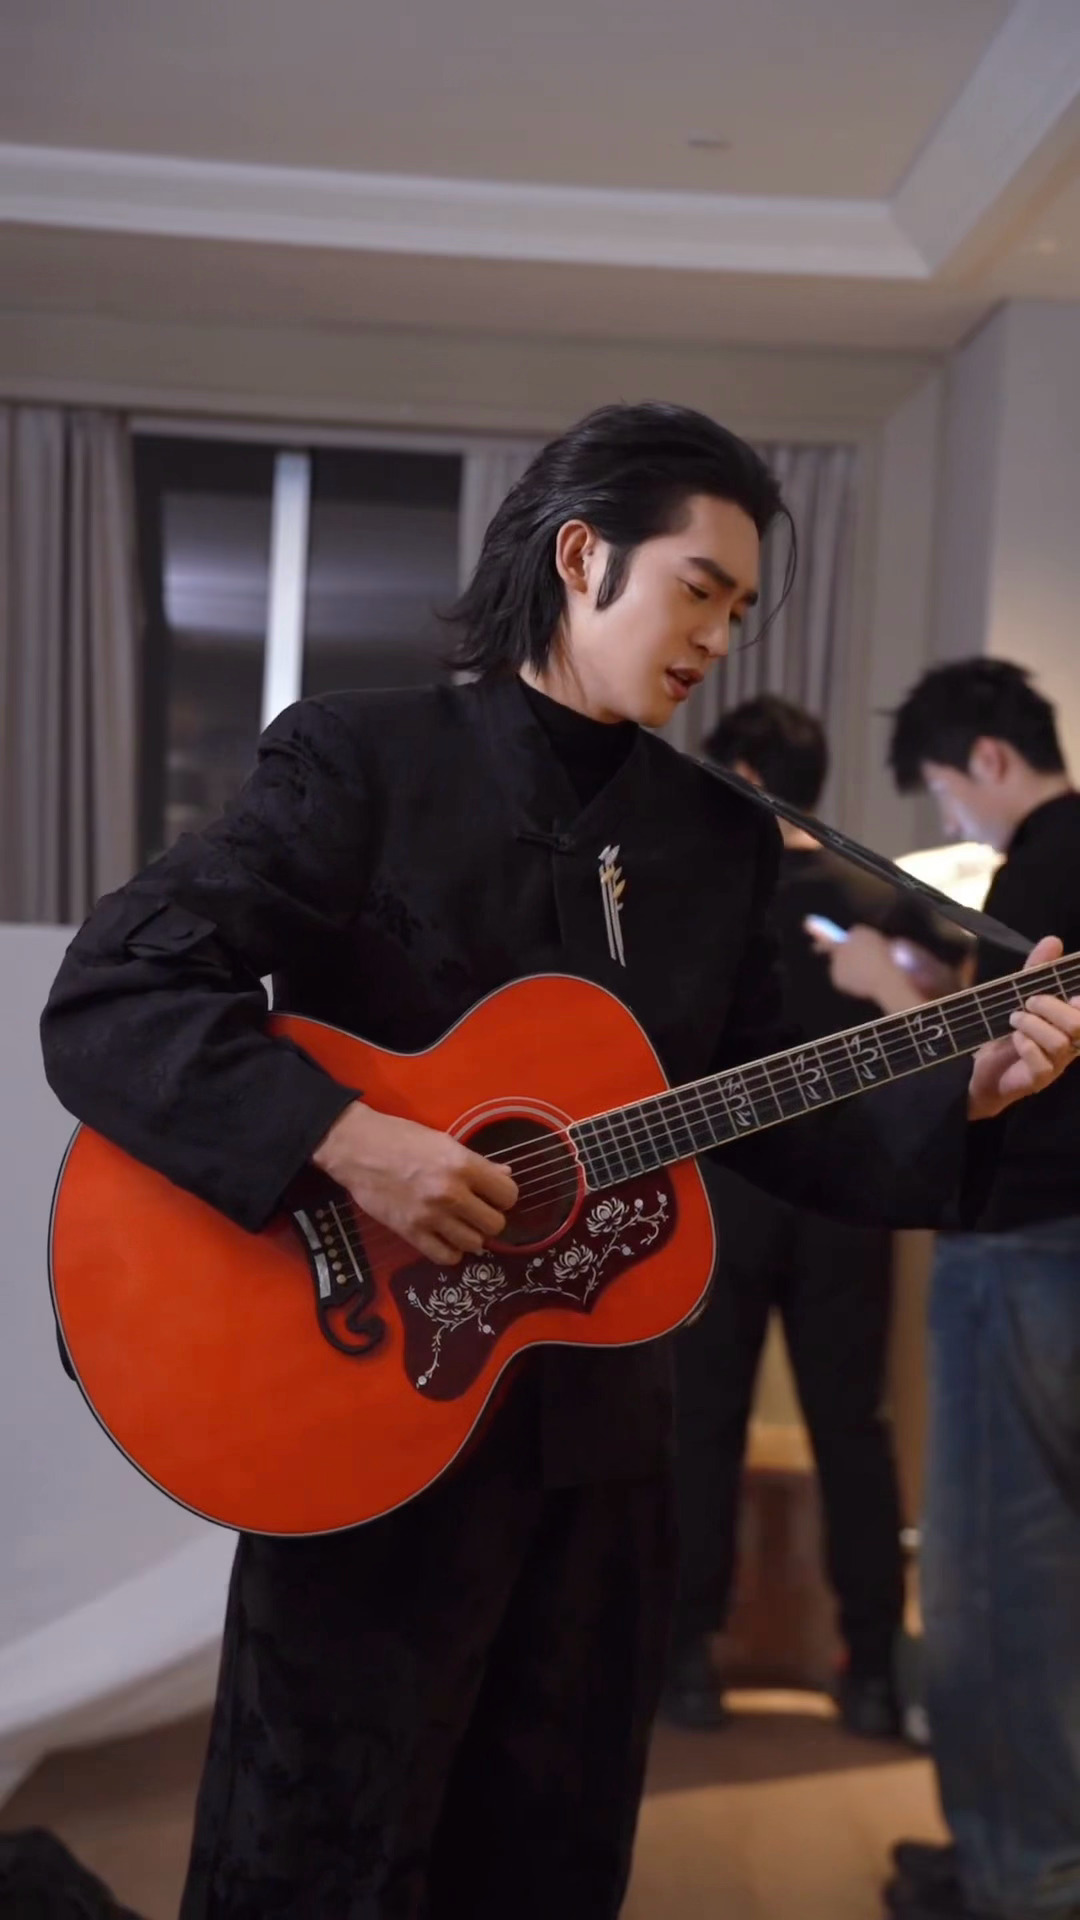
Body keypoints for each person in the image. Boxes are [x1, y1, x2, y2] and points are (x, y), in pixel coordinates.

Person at [38, 414, 1080, 1920]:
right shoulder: (362, 760)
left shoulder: (719, 838)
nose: (718, 638)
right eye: (699, 589)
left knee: (551, 1857)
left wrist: (965, 1095)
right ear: (582, 556)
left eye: (739, 608)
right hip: (363, 1410)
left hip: (602, 1443)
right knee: (319, 1856)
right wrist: (349, 1140)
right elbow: (120, 990)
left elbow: (766, 1104)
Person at [818, 659, 1080, 1920]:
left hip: (1022, 1242)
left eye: (944, 791)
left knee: (993, 1576)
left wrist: (881, 984)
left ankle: (1018, 1873)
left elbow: (998, 1062)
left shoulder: (1043, 860)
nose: (955, 818)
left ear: (985, 759)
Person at [665, 694, 966, 1740]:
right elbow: (946, 994)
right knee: (853, 1427)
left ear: (745, 777)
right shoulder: (879, 892)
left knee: (703, 1422)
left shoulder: (701, 894)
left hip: (726, 1193)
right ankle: (872, 1666)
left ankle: (687, 1663)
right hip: (852, 1196)